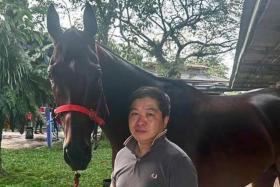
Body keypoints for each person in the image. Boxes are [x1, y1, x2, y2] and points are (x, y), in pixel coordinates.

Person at [110, 86, 198, 187]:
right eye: (135, 113)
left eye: (150, 114)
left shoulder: (178, 162)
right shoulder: (122, 155)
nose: (140, 122)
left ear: (165, 120)